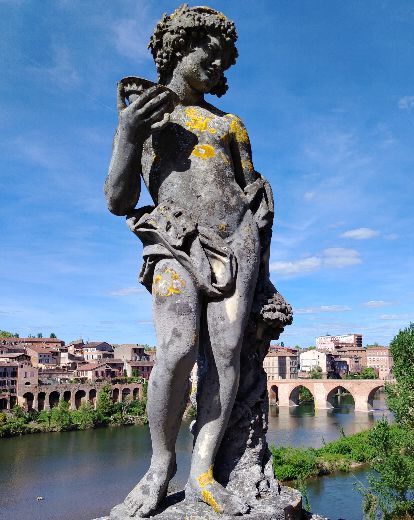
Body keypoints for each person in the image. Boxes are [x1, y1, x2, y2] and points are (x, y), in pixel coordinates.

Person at [105, 5, 266, 517]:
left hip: (237, 245)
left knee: (226, 356)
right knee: (176, 349)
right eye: (209, 55)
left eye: (225, 62)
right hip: (175, 239)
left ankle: (202, 470)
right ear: (178, 48)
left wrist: (265, 274)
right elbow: (117, 200)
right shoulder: (147, 115)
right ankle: (159, 465)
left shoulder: (230, 124)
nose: (218, 67)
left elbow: (252, 194)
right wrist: (128, 135)